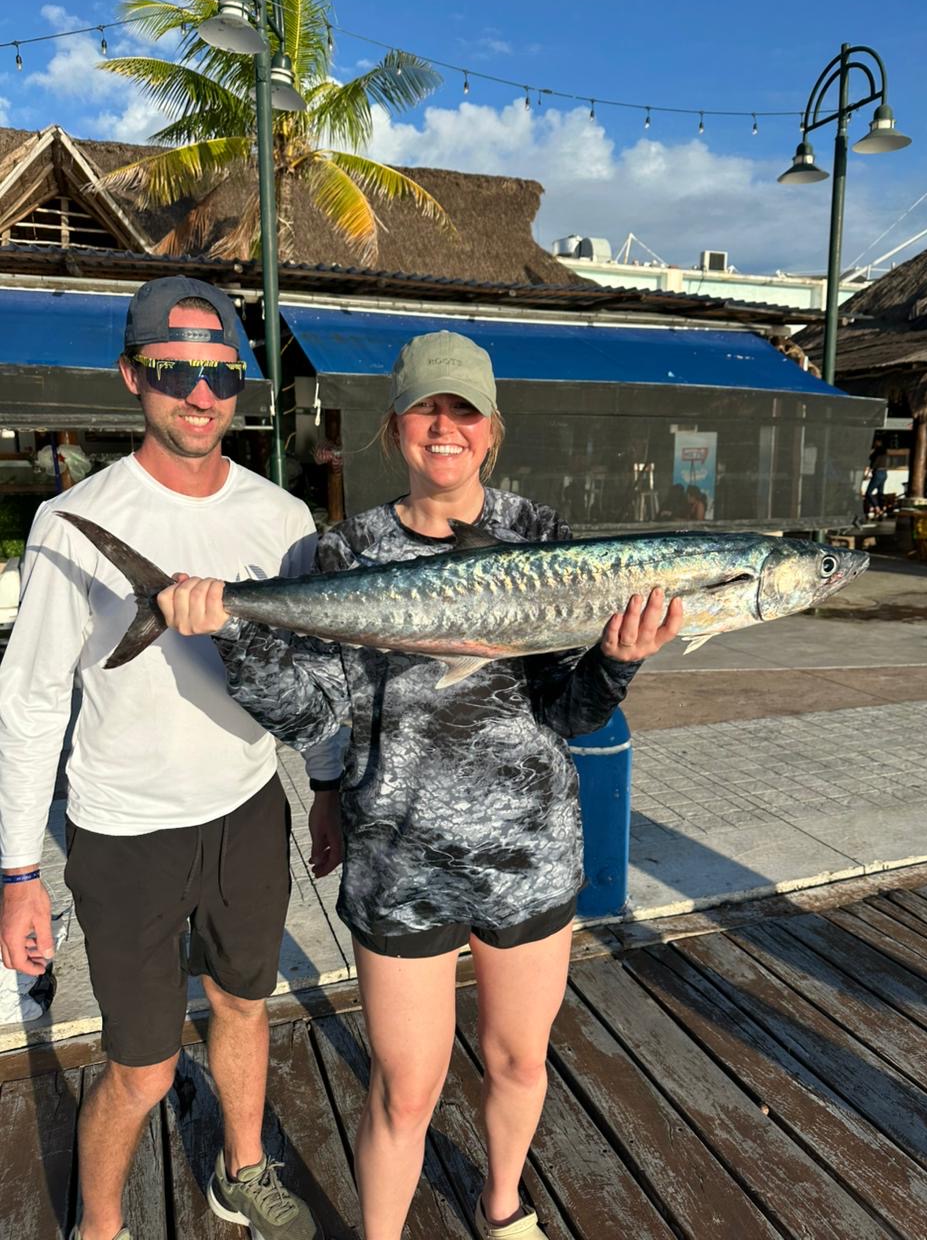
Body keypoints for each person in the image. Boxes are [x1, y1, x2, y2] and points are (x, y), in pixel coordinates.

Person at [158, 330, 683, 1240]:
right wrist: (230, 631)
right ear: (395, 425)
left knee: (520, 1062)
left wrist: (616, 660)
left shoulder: (544, 538)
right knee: (406, 1087)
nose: (445, 429)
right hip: (398, 865)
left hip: (527, 856)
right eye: (427, 410)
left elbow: (569, 712)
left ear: (492, 431)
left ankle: (504, 1205)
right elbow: (307, 710)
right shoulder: (340, 552)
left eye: (464, 412)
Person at [0, 276, 322, 1240]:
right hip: (123, 831)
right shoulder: (72, 522)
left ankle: (243, 1168)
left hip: (249, 809)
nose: (200, 393)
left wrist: (336, 784)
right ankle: (99, 1226)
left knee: (244, 1005)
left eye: (222, 371)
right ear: (132, 375)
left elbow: (319, 673)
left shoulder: (284, 521)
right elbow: (28, 702)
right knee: (140, 1066)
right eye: (174, 369)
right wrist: (18, 870)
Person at [864, 441, 888, 518]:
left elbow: (872, 462)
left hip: (877, 473)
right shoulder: (884, 453)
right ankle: (882, 509)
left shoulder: (877, 453)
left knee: (868, 492)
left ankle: (877, 508)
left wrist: (867, 473)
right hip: (884, 472)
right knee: (880, 492)